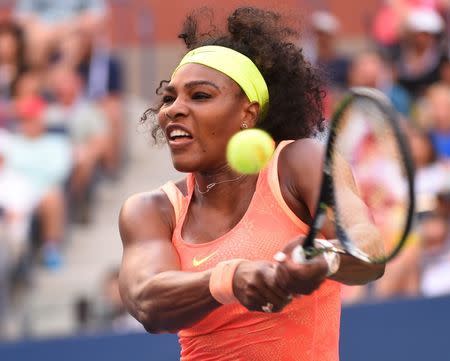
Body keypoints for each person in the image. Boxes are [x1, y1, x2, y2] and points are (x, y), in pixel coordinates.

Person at [118, 7, 385, 361]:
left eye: (199, 96)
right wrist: (231, 279)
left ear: (248, 112)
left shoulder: (301, 163)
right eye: (169, 98)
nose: (172, 110)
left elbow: (370, 249)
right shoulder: (152, 210)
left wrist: (325, 258)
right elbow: (144, 299)